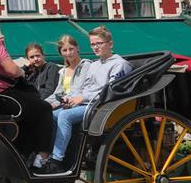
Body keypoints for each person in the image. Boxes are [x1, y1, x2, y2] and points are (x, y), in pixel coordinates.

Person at [0, 4, 53, 169]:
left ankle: (21, 155)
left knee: (30, 112)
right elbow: (11, 70)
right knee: (44, 108)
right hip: (3, 95)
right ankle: (43, 156)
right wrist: (21, 72)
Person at [40, 27, 131, 174]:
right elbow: (84, 88)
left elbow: (111, 91)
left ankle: (57, 160)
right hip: (86, 104)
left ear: (110, 44)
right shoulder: (95, 65)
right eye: (93, 44)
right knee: (52, 115)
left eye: (99, 43)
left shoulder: (119, 65)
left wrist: (82, 97)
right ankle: (53, 156)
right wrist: (69, 99)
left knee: (64, 116)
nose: (95, 47)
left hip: (101, 107)